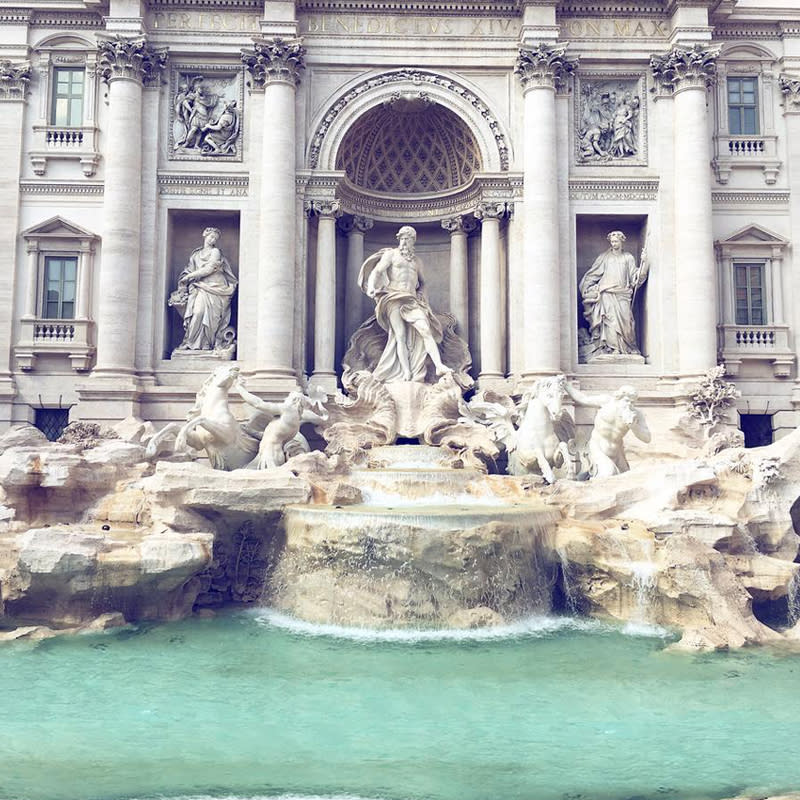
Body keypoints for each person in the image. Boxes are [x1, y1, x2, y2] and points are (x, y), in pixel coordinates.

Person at [358, 225, 452, 383]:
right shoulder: (391, 255)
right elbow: (377, 271)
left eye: (407, 239)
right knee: (399, 336)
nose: (404, 242)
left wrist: (423, 298)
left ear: (413, 241)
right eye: (401, 238)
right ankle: (406, 373)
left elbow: (422, 283)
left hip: (411, 300)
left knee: (425, 330)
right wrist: (372, 288)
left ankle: (439, 366)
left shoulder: (417, 261)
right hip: (394, 297)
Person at [579, 230, 647, 357]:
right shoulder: (604, 257)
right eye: (612, 241)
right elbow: (593, 274)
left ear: (622, 241)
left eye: (616, 241)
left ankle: (626, 348)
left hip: (623, 294)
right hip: (607, 293)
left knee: (627, 323)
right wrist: (588, 288)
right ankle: (612, 349)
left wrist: (644, 265)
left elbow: (635, 278)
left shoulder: (628, 258)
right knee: (609, 322)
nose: (614, 244)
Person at [170, 227, 237, 352]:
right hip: (200, 287)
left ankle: (207, 345)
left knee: (212, 319)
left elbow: (209, 269)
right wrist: (185, 278)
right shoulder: (196, 254)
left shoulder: (215, 252)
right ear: (204, 235)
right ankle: (191, 343)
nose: (213, 240)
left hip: (216, 287)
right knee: (198, 313)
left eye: (215, 238)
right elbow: (189, 269)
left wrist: (190, 276)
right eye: (211, 237)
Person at [564, 382, 651, 478]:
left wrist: (634, 427)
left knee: (626, 478)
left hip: (617, 453)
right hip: (598, 447)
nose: (629, 405)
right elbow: (583, 399)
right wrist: (566, 386)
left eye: (632, 402)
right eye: (627, 401)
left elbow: (647, 438)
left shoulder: (636, 414)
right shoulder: (606, 402)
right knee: (608, 473)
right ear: (619, 397)